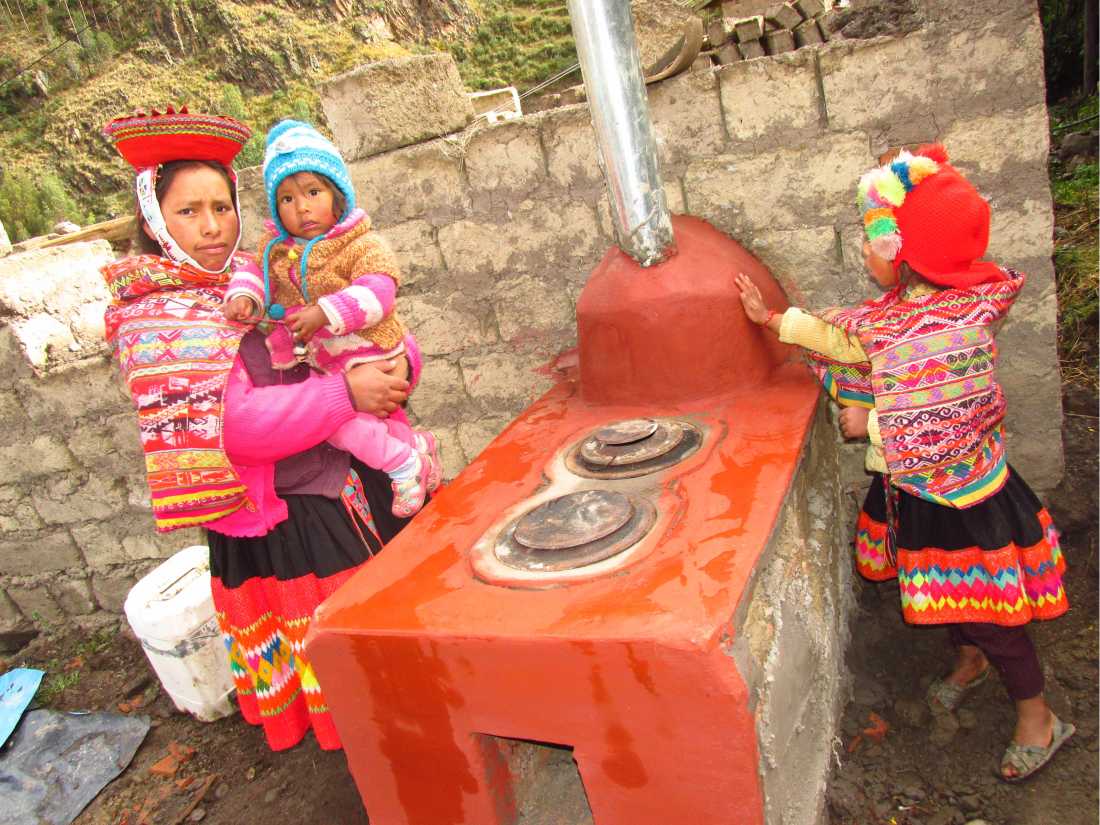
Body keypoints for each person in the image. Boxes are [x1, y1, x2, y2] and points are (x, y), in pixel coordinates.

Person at [735, 144, 1072, 782]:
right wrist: (776, 321)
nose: (865, 253)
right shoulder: (904, 314)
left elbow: (957, 417)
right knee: (950, 595)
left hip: (969, 502)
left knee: (992, 612)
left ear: (904, 253)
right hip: (922, 494)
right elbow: (854, 341)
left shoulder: (959, 326)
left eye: (871, 241)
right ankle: (969, 662)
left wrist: (876, 422)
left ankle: (1038, 716)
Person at [101, 106, 419, 752]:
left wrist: (388, 364)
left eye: (221, 205)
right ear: (152, 219)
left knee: (380, 648)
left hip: (325, 481)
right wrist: (346, 391)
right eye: (189, 211)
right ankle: (389, 766)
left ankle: (405, 747)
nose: (213, 226)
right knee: (349, 667)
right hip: (279, 521)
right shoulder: (158, 315)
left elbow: (333, 333)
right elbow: (237, 426)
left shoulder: (247, 279)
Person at [223, 120, 441, 518]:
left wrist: (326, 310)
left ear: (337, 194)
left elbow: (379, 289)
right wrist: (244, 295)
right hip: (329, 367)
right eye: (286, 199)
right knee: (365, 423)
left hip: (367, 350)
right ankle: (416, 451)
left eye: (312, 192)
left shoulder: (360, 242)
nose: (302, 207)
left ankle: (403, 465)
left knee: (348, 428)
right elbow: (252, 271)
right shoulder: (273, 250)